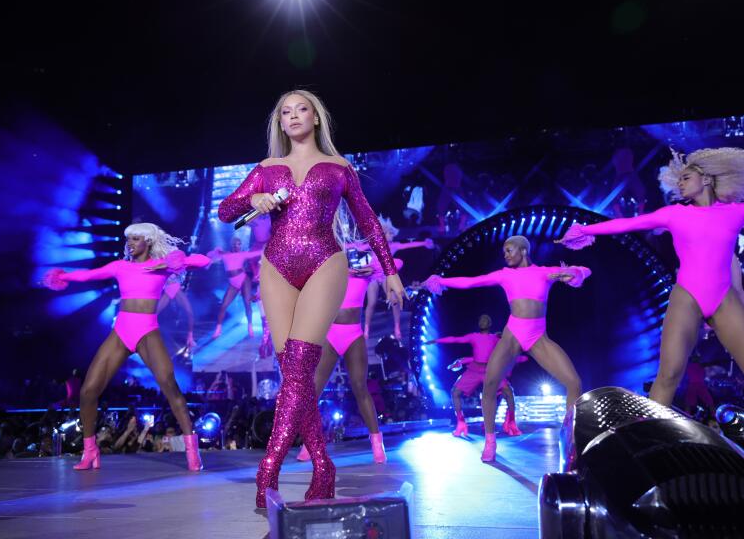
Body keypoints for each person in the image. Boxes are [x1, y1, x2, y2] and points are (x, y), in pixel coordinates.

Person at [218, 89, 405, 507]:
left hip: (325, 260)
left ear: (316, 118)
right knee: (295, 377)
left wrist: (389, 271)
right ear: (280, 124)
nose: (294, 116)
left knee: (301, 366)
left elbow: (368, 220)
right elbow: (226, 212)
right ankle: (323, 464)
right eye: (286, 112)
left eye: (302, 109)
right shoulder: (266, 168)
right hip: (276, 266)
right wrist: (253, 198)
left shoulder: (338, 167)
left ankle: (269, 469)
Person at [557, 147, 744, 407]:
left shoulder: (735, 212)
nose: (680, 183)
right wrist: (585, 229)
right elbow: (626, 225)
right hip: (687, 297)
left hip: (725, 298)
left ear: (707, 179)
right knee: (668, 376)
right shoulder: (675, 214)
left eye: (686, 177)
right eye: (679, 179)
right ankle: (651, 435)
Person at [43, 222, 210, 471]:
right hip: (121, 331)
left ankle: (191, 449)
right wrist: (63, 276)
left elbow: (204, 261)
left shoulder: (160, 266)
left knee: (169, 386)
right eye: (128, 240)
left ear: (148, 242)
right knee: (88, 391)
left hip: (147, 332)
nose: (130, 244)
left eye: (135, 239)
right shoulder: (120, 267)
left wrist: (179, 259)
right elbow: (89, 275)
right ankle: (90, 452)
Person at [423, 236, 590, 461]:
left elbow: (585, 270)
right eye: (504, 252)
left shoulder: (544, 272)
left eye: (510, 250)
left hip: (538, 337)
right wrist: (441, 281)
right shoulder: (505, 274)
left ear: (523, 250)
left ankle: (570, 441)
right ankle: (490, 441)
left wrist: (576, 273)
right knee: (490, 384)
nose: (506, 254)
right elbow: (471, 282)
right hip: (513, 335)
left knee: (574, 382)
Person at [296, 255, 405, 464]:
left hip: (353, 334)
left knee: (360, 387)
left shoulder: (364, 274)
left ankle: (376, 441)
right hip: (330, 333)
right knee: (313, 390)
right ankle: (309, 443)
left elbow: (396, 263)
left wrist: (370, 269)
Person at [427, 314, 527, 437]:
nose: (482, 321)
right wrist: (436, 341)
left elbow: (512, 344)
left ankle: (511, 422)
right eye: (481, 319)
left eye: (485, 320)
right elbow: (455, 339)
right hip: (474, 370)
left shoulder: (495, 338)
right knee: (455, 392)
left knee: (508, 392)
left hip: (490, 370)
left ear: (489, 324)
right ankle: (460, 422)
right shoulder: (473, 336)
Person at [208, 237, 262, 338]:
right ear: (231, 244)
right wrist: (216, 251)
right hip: (233, 283)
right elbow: (210, 255)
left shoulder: (243, 254)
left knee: (247, 304)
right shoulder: (225, 254)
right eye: (236, 244)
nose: (238, 246)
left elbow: (257, 253)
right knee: (223, 306)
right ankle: (218, 330)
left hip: (244, 280)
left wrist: (268, 248)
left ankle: (250, 327)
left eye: (239, 244)